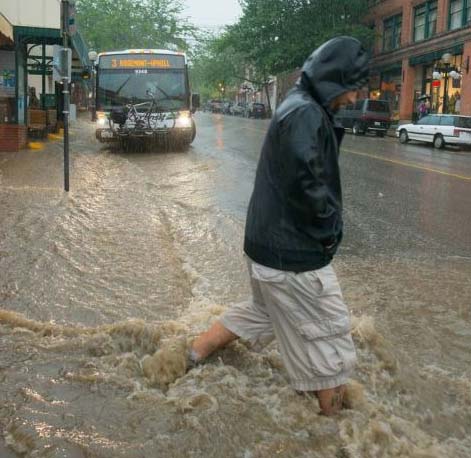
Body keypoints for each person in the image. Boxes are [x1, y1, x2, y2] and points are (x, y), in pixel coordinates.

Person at [179, 37, 368, 416]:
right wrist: (330, 227)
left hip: (266, 247)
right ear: (334, 79)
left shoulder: (298, 105)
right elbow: (307, 182)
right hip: (293, 256)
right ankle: (337, 433)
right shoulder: (306, 113)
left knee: (262, 312)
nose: (353, 100)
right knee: (330, 341)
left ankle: (190, 355)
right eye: (352, 89)